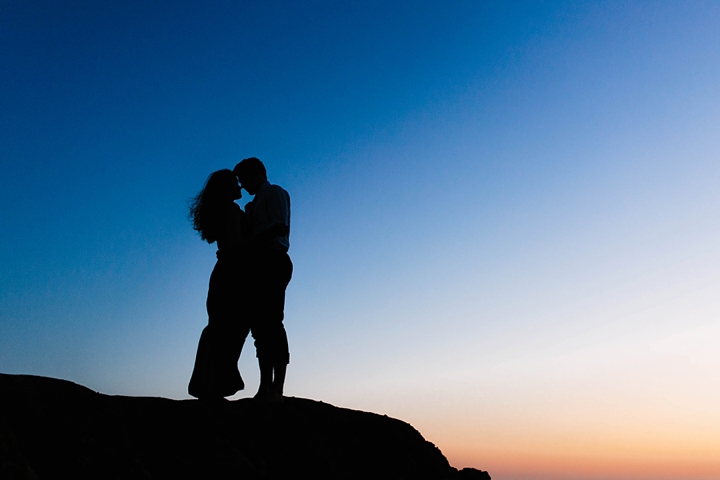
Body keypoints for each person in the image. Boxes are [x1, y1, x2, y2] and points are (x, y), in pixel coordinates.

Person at [187, 169, 250, 401]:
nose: (240, 186)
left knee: (220, 329)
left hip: (224, 273)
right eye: (235, 182)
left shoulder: (225, 210)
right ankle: (213, 385)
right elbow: (237, 247)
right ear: (226, 187)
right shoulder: (231, 210)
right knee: (228, 329)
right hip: (232, 275)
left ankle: (209, 384)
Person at [233, 157, 292, 402]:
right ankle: (264, 386)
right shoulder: (254, 204)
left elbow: (280, 227)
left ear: (257, 173)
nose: (243, 186)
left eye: (244, 179)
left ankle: (276, 387)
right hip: (259, 265)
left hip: (273, 260)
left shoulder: (275, 193)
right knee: (260, 327)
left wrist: (247, 241)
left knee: (272, 322)